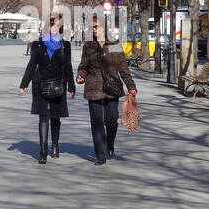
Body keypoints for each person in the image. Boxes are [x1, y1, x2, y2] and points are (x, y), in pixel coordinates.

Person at [77, 21, 137, 165]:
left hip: (112, 87)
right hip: (93, 87)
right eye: (93, 28)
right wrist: (81, 76)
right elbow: (84, 65)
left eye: (97, 27)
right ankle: (101, 154)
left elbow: (123, 67)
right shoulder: (88, 46)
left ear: (104, 27)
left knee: (111, 119)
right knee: (97, 122)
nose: (95, 30)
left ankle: (109, 143)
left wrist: (130, 85)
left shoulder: (114, 44)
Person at [19, 15, 76, 163]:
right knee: (43, 116)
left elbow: (68, 66)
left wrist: (71, 85)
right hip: (41, 83)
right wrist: (24, 83)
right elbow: (32, 64)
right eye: (52, 25)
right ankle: (43, 151)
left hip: (58, 83)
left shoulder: (65, 45)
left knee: (55, 116)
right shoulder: (38, 44)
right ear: (47, 28)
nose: (55, 28)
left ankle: (55, 145)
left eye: (57, 26)